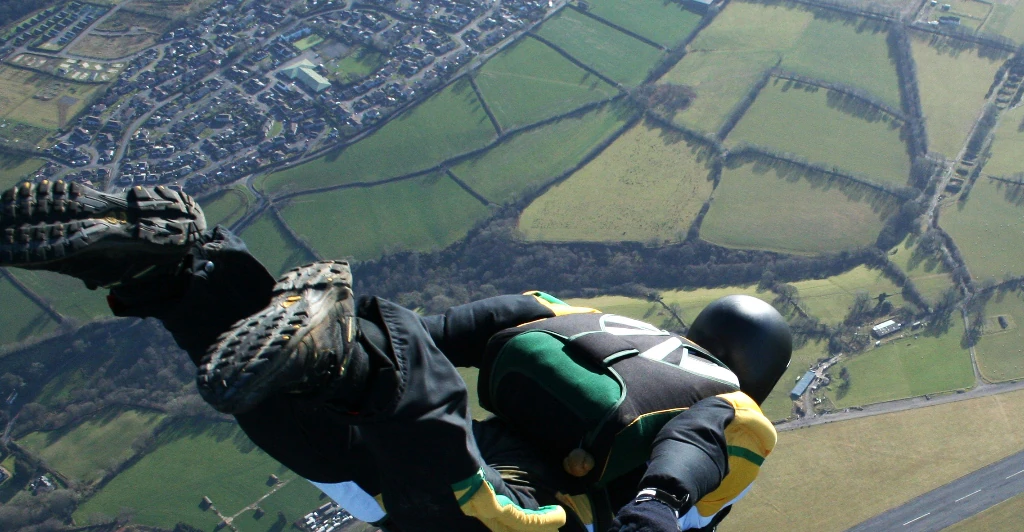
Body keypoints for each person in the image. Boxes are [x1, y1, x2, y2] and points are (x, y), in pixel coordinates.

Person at [0, 182, 792, 532]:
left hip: (471, 442)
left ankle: (185, 273)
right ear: (758, 372)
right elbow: (702, 443)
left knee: (332, 436)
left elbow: (459, 329)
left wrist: (372, 350)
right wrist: (657, 508)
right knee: (461, 512)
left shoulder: (589, 317)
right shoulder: (737, 407)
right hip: (534, 498)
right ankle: (202, 294)